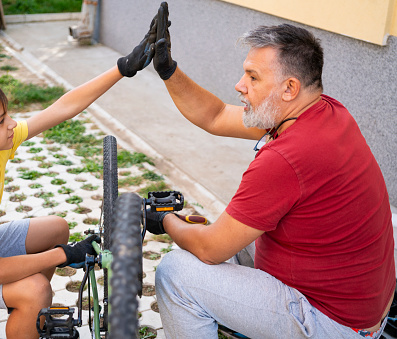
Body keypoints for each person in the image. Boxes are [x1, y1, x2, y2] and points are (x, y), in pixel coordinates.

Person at [143, 2, 395, 339]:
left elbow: (209, 249)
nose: (239, 85)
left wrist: (165, 221)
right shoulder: (324, 112)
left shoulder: (287, 158)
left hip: (334, 325)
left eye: (252, 77)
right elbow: (216, 116)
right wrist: (167, 69)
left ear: (289, 88)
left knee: (177, 271)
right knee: (229, 233)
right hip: (357, 306)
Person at [0, 12, 159, 339]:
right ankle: (29, 303)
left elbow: (61, 108)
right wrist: (67, 255)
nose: (11, 124)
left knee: (55, 228)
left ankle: (29, 317)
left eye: (7, 114)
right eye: (0, 120)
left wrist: (123, 68)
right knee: (35, 288)